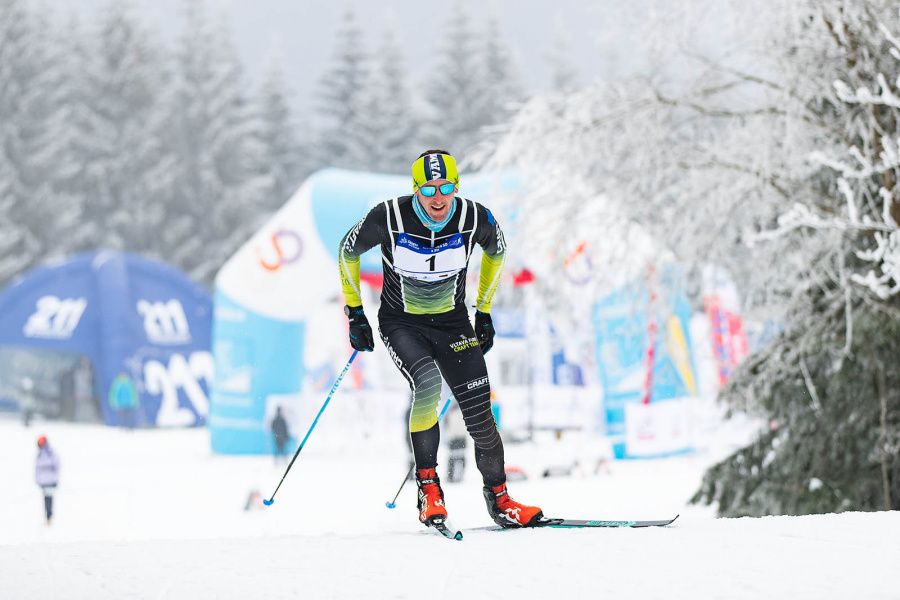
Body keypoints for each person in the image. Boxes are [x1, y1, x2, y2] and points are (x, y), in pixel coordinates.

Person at [337, 150, 545, 529]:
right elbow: (348, 250)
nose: (437, 197)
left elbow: (497, 252)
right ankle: (429, 489)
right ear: (415, 189)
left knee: (480, 411)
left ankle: (501, 500)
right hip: (403, 323)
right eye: (428, 188)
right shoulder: (390, 216)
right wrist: (355, 312)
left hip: (453, 324)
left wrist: (483, 310)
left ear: (456, 187)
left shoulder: (473, 217)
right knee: (429, 387)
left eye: (445, 188)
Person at [35, 435, 60, 525]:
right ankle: (47, 517)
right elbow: (37, 468)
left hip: (50, 480)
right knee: (45, 499)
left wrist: (55, 479)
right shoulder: (40, 455)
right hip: (43, 481)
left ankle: (49, 516)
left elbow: (57, 466)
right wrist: (37, 479)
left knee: (49, 499)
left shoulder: (51, 453)